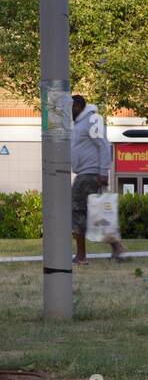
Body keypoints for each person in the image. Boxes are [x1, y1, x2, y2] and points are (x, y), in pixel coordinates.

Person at [71, 95, 126, 264]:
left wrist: (104, 172)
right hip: (86, 174)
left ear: (79, 106)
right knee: (99, 213)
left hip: (89, 175)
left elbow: (103, 144)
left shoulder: (93, 119)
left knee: (77, 212)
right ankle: (117, 248)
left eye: (71, 107)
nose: (69, 111)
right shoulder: (81, 122)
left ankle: (81, 256)